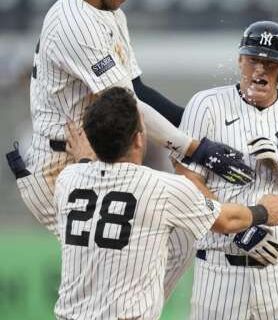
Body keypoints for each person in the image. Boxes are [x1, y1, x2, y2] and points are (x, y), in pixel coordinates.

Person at [5, 0, 253, 302]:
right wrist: (194, 147)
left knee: (173, 244)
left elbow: (137, 90)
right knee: (116, 275)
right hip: (57, 168)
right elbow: (126, 103)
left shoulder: (111, 13)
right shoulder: (74, 20)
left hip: (94, 159)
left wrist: (200, 131)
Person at [53, 86, 278, 320]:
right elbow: (225, 220)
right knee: (187, 235)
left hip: (69, 316)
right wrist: (263, 211)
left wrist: (84, 157)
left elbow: (87, 170)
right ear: (138, 140)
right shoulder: (164, 188)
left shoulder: (67, 179)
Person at [176, 20, 278, 320]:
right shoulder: (205, 104)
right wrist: (239, 228)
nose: (260, 70)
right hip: (220, 268)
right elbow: (187, 181)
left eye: (270, 63)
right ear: (240, 59)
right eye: (253, 60)